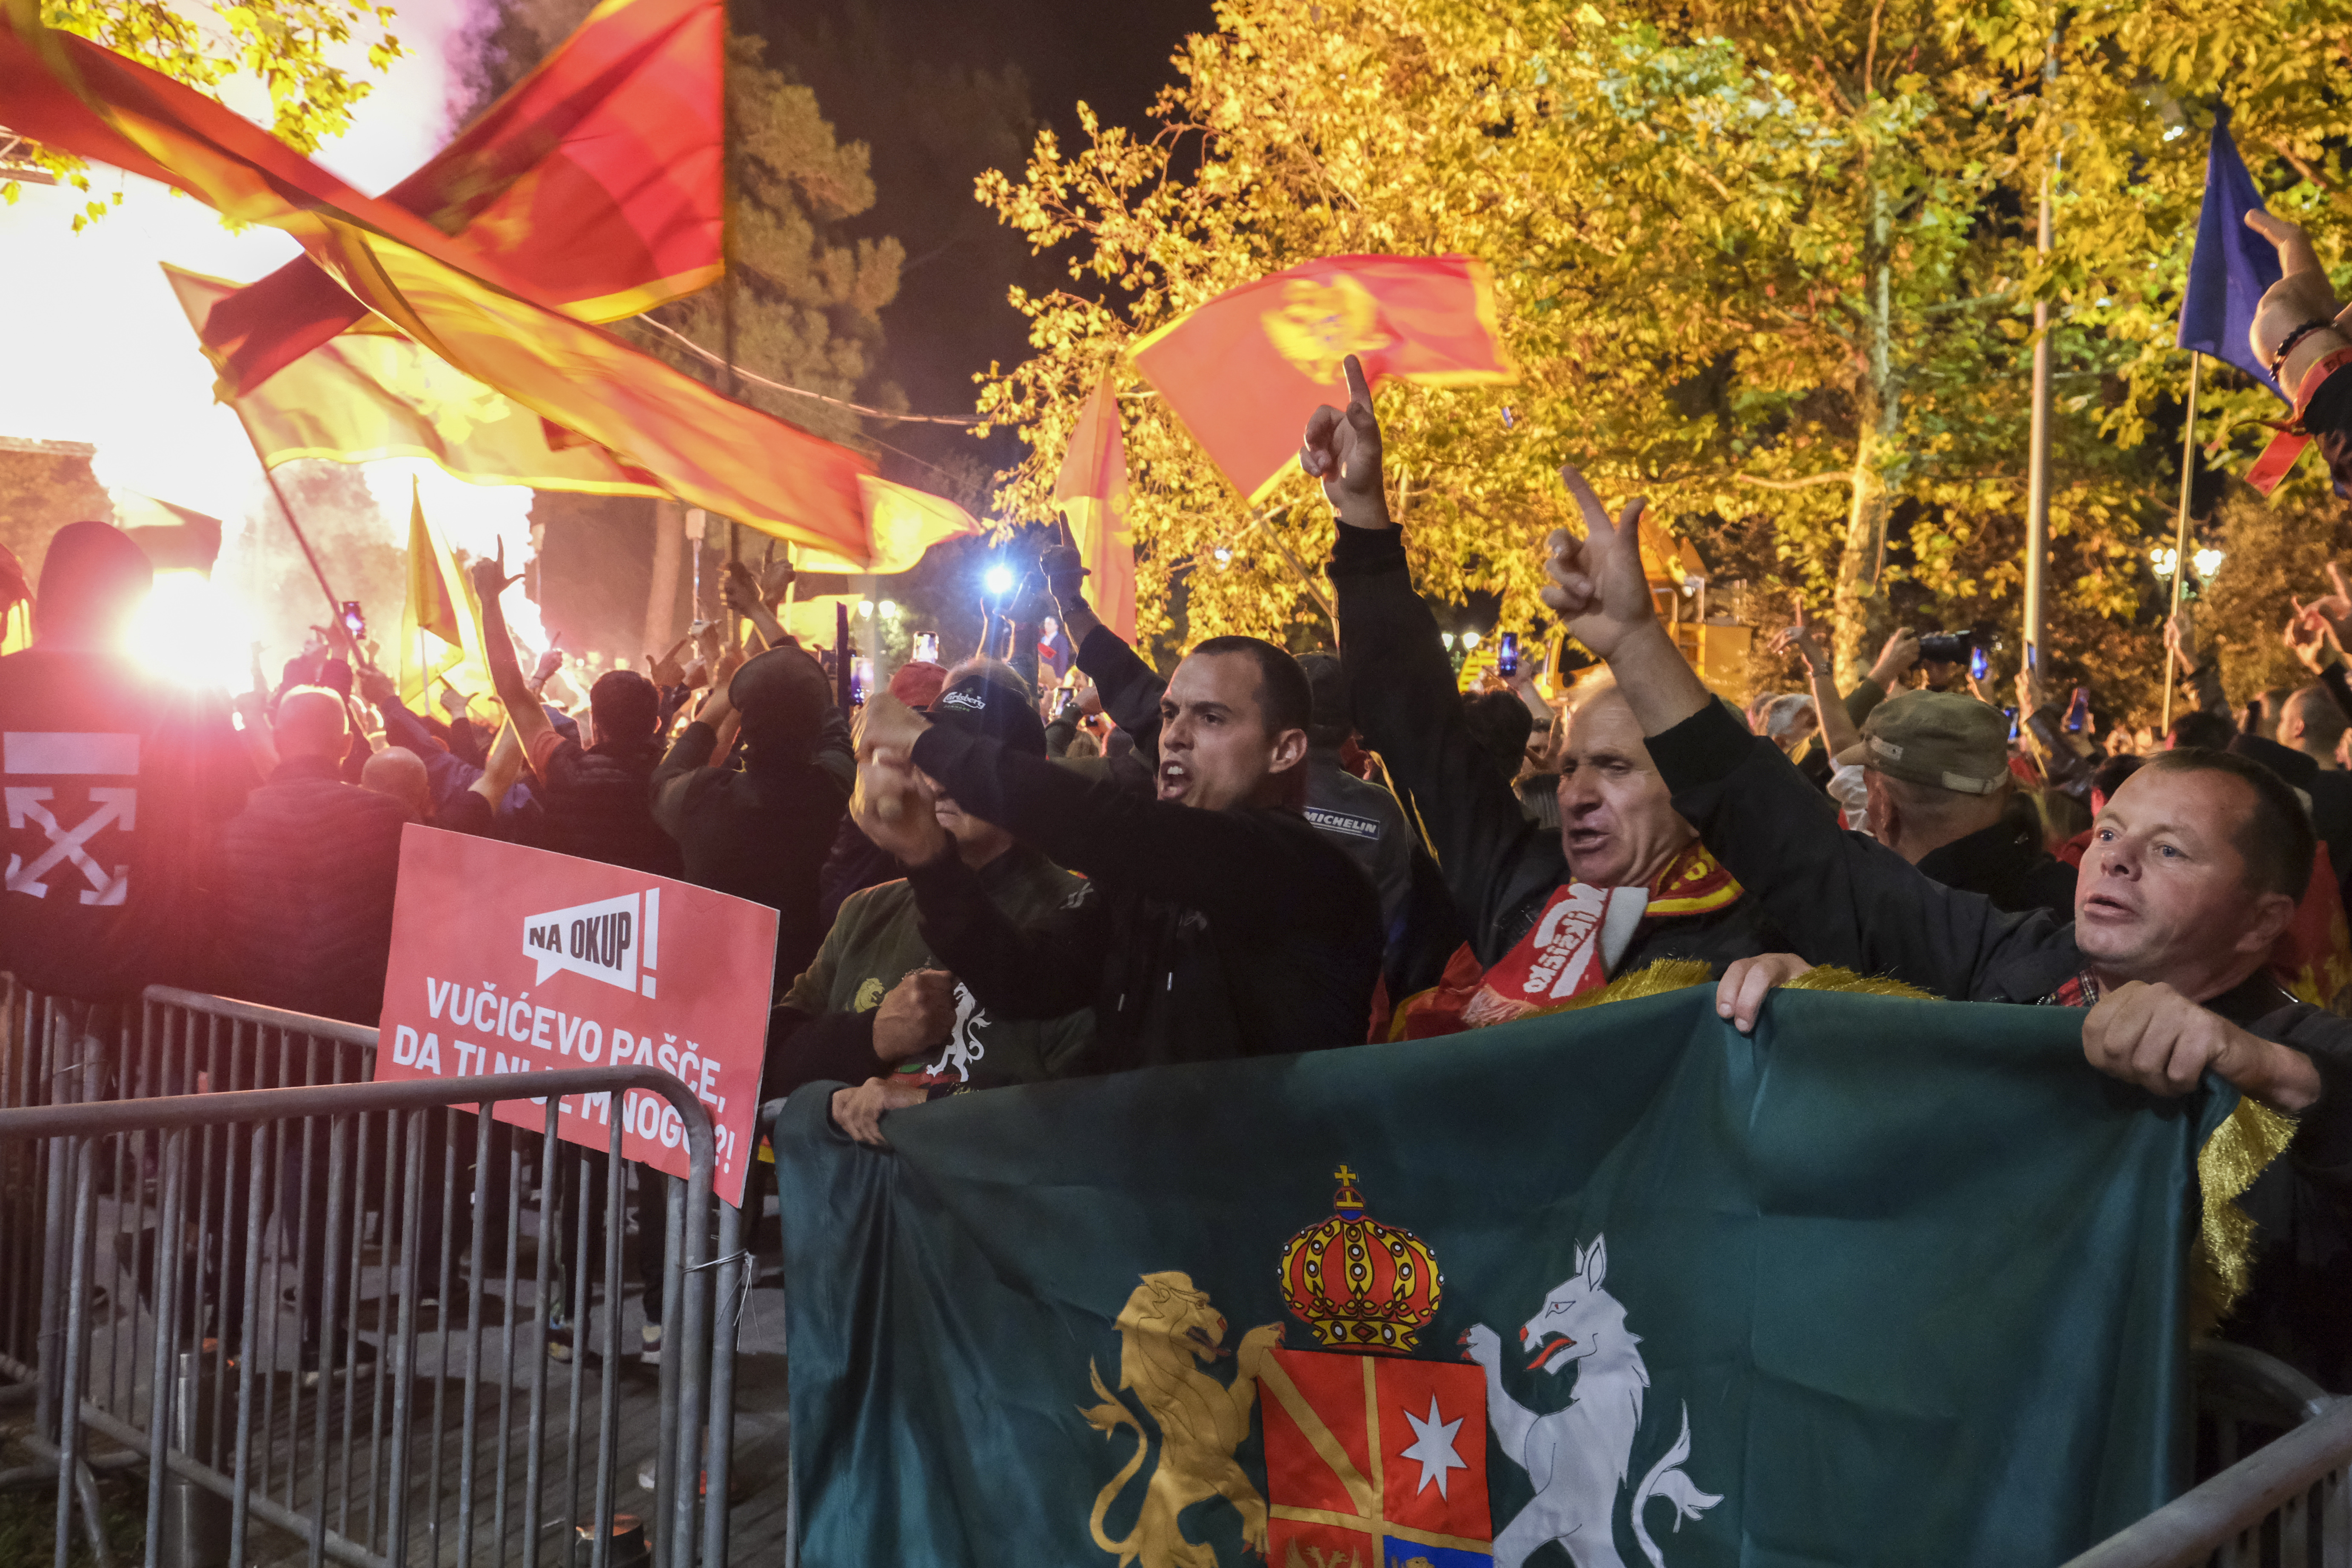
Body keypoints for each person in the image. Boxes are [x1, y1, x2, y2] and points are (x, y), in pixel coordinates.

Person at [1537, 455, 2352, 1388]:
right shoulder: (2009, 967)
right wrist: (1635, 643)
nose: (2114, 858)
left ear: (2261, 922)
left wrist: (2268, 1074)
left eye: (2170, 851)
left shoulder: (2295, 1050)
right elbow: (1806, 856)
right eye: (2111, 830)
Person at [1307, 355, 1784, 1032]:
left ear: (1698, 791)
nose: (1575, 792)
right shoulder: (1526, 881)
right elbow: (1418, 728)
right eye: (1568, 766)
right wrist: (1361, 520)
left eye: (1613, 766)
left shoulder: (1770, 932)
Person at [847, 634, 1381, 1087]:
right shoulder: (1143, 888)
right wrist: (927, 858)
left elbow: (1109, 826)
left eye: (1211, 718)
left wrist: (930, 743)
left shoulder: (1306, 868)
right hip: (1152, 1196)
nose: (1174, 736)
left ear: (1284, 750)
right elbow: (1022, 980)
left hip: (1276, 1197)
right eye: (1171, 713)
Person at [766, 665, 1095, 1145]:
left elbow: (1079, 1118)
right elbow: (770, 1055)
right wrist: (873, 1036)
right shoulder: (867, 911)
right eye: (930, 757)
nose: (940, 781)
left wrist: (928, 1112)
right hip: (850, 1213)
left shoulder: (1078, 914)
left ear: (1024, 777)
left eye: (966, 761)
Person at [0, 520, 253, 1004]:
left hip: (20, 964)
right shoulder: (178, 697)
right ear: (131, 605)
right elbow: (228, 804)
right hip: (145, 975)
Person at [653, 641, 853, 990]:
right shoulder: (835, 789)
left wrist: (722, 699)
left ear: (744, 728)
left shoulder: (700, 797)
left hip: (713, 986)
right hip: (803, 991)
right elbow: (835, 731)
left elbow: (664, 779)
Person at [473, 549, 681, 878]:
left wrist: (489, 602)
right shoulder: (678, 778)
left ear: (595, 726)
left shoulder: (564, 768)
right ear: (656, 723)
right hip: (651, 921)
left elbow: (512, 691)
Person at [1836, 689, 2076, 917]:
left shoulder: (1885, 925)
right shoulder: (2078, 898)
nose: (1867, 818)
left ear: (1885, 807)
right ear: (2007, 788)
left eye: (1869, 791)